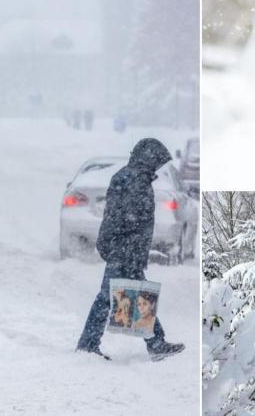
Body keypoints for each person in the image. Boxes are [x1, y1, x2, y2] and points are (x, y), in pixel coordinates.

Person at [76, 138, 185, 361]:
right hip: (124, 249)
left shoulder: (134, 177)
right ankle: (89, 345)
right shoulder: (133, 180)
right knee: (110, 297)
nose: (157, 167)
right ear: (148, 158)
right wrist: (114, 245)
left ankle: (155, 342)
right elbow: (119, 217)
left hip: (126, 249)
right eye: (157, 161)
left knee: (135, 294)